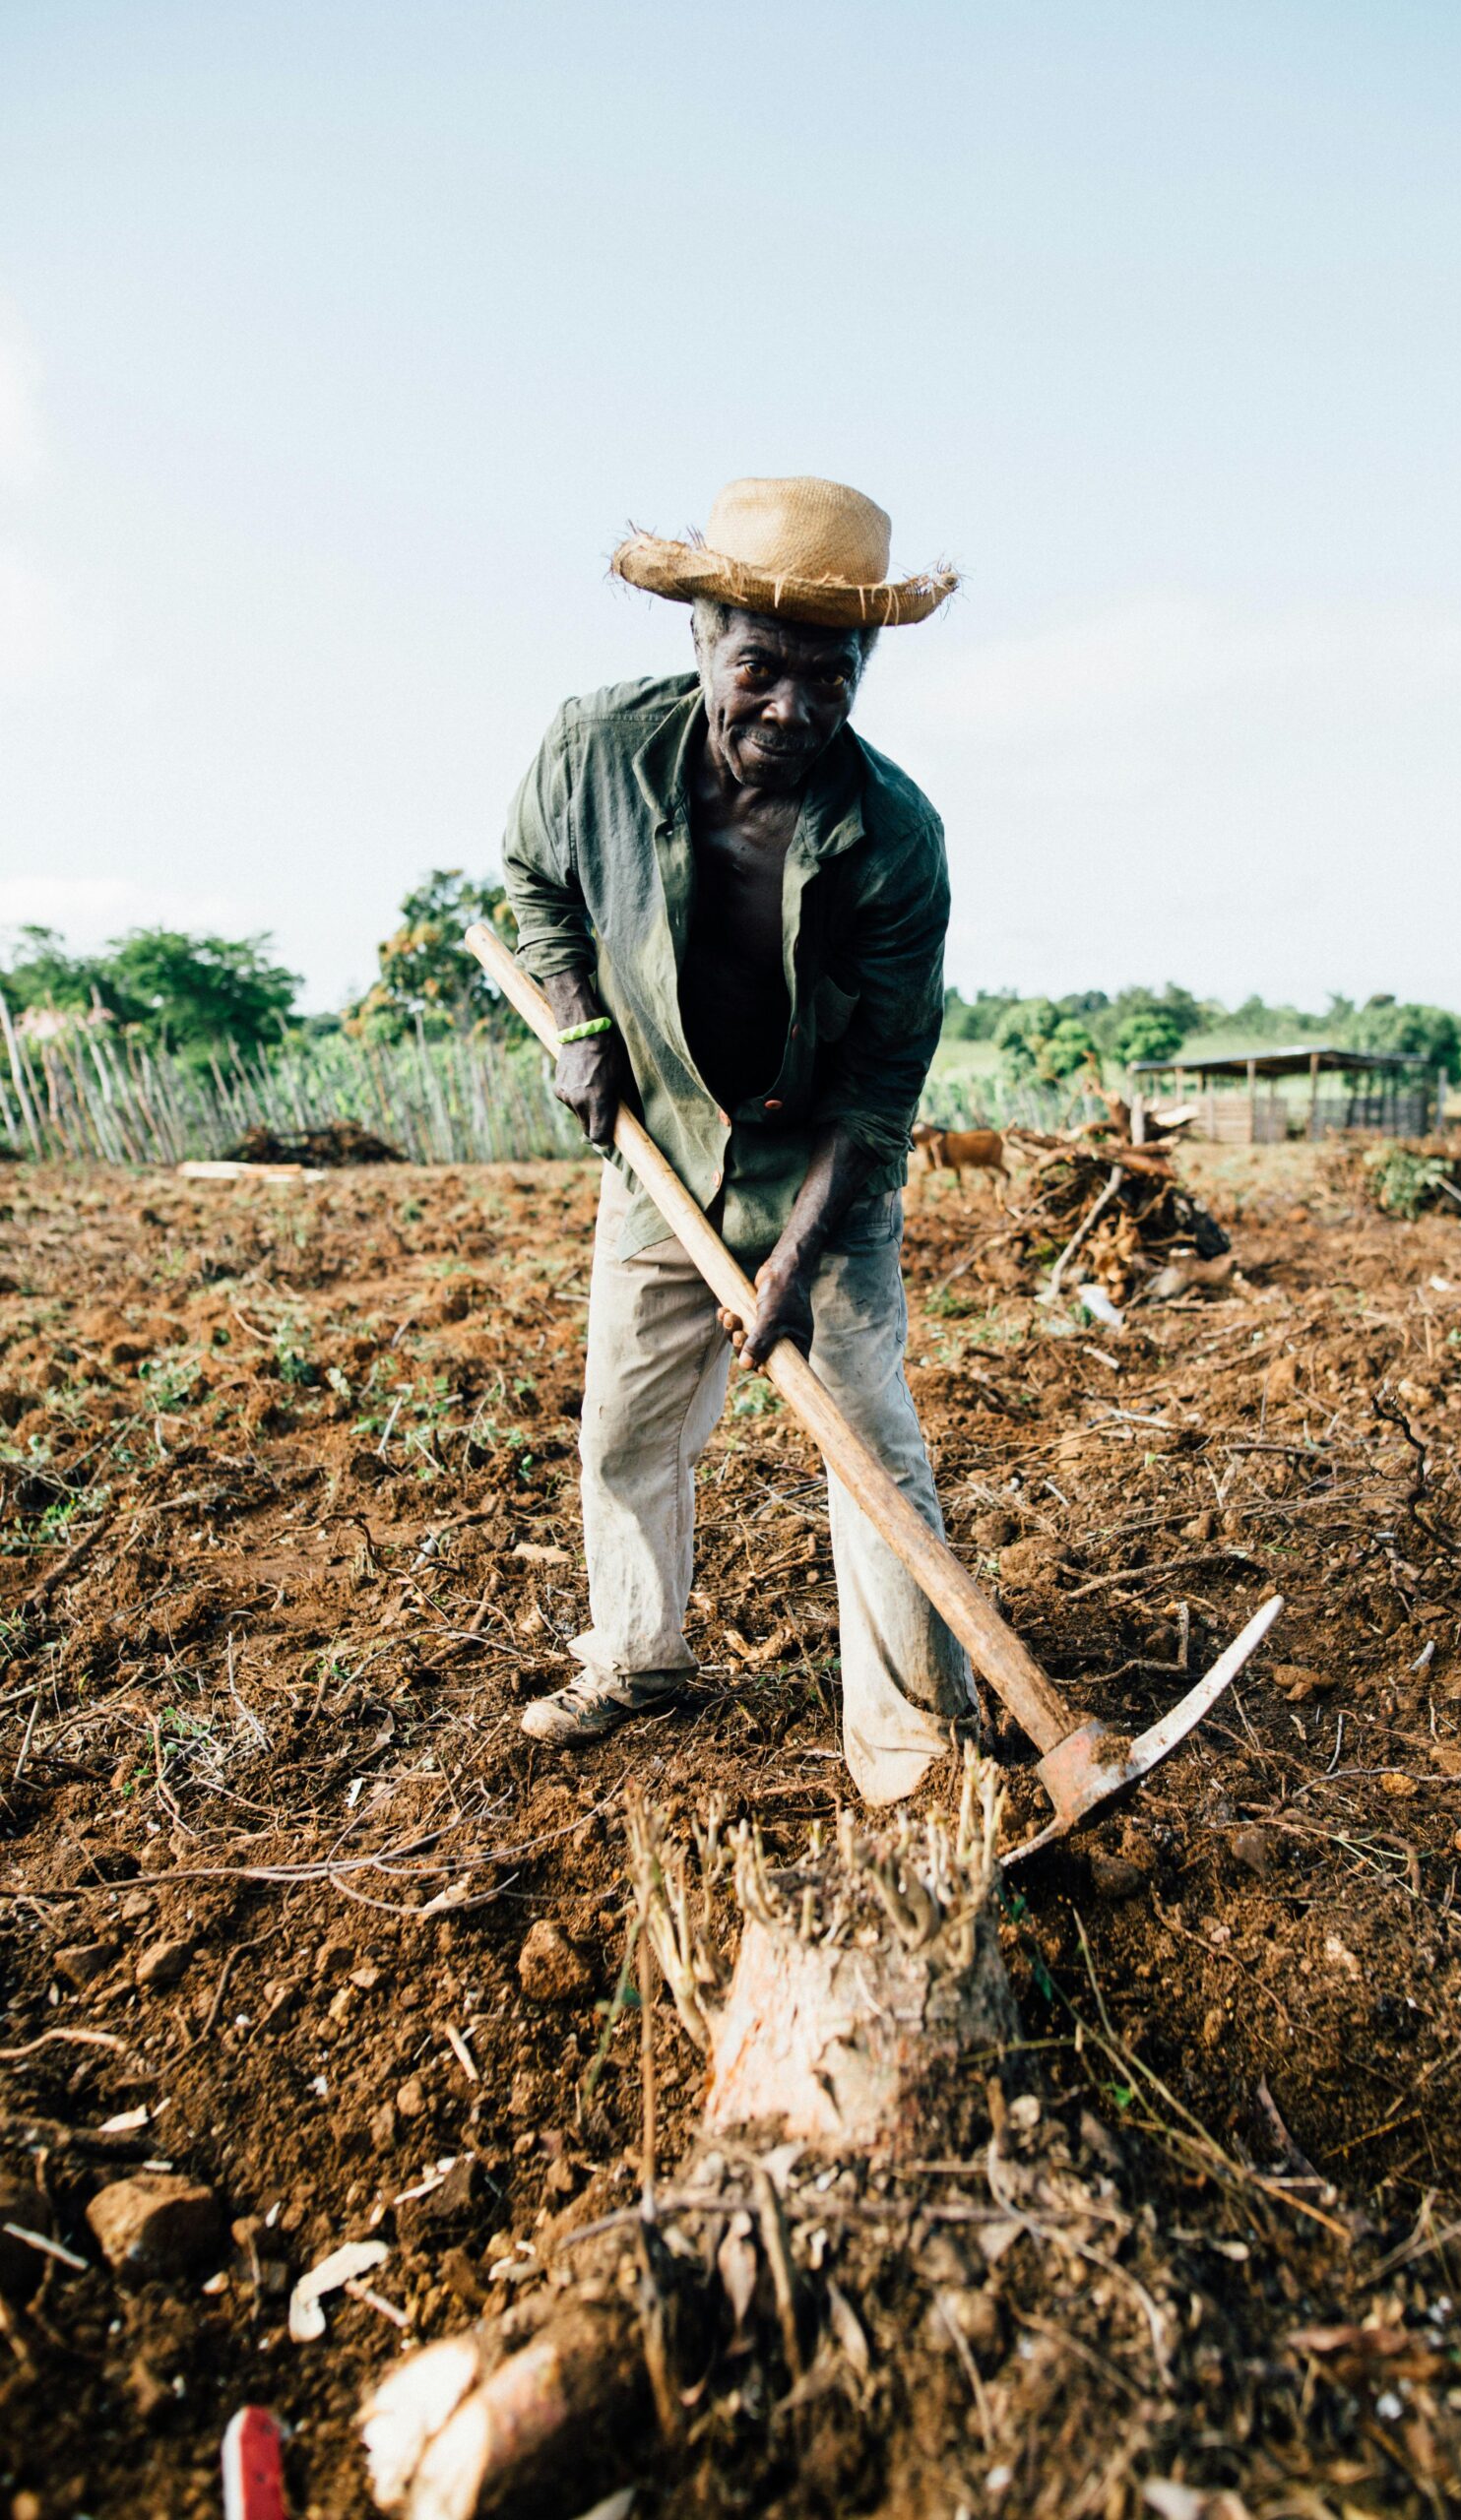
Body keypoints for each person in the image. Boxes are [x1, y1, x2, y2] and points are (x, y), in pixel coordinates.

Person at [501, 475, 975, 1803]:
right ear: (700, 641)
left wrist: (792, 1265)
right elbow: (533, 877)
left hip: (822, 1162)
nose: (793, 710)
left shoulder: (895, 840)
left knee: (869, 1442)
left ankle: (910, 1742)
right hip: (663, 1141)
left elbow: (881, 1094)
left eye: (833, 677)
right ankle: (638, 1656)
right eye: (760, 666)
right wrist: (578, 1020)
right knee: (628, 1422)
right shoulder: (590, 750)